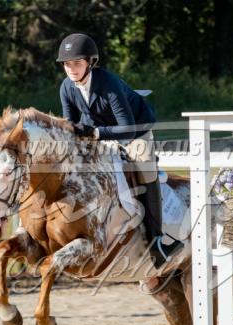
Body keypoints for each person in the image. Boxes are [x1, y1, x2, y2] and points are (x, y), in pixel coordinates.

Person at [57, 32, 183, 269]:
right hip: (98, 132)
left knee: (145, 169)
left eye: (76, 63)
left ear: (90, 62)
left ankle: (158, 241)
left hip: (135, 131)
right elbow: (70, 126)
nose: (71, 69)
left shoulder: (108, 83)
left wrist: (94, 134)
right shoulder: (66, 87)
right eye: (66, 64)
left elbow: (127, 129)